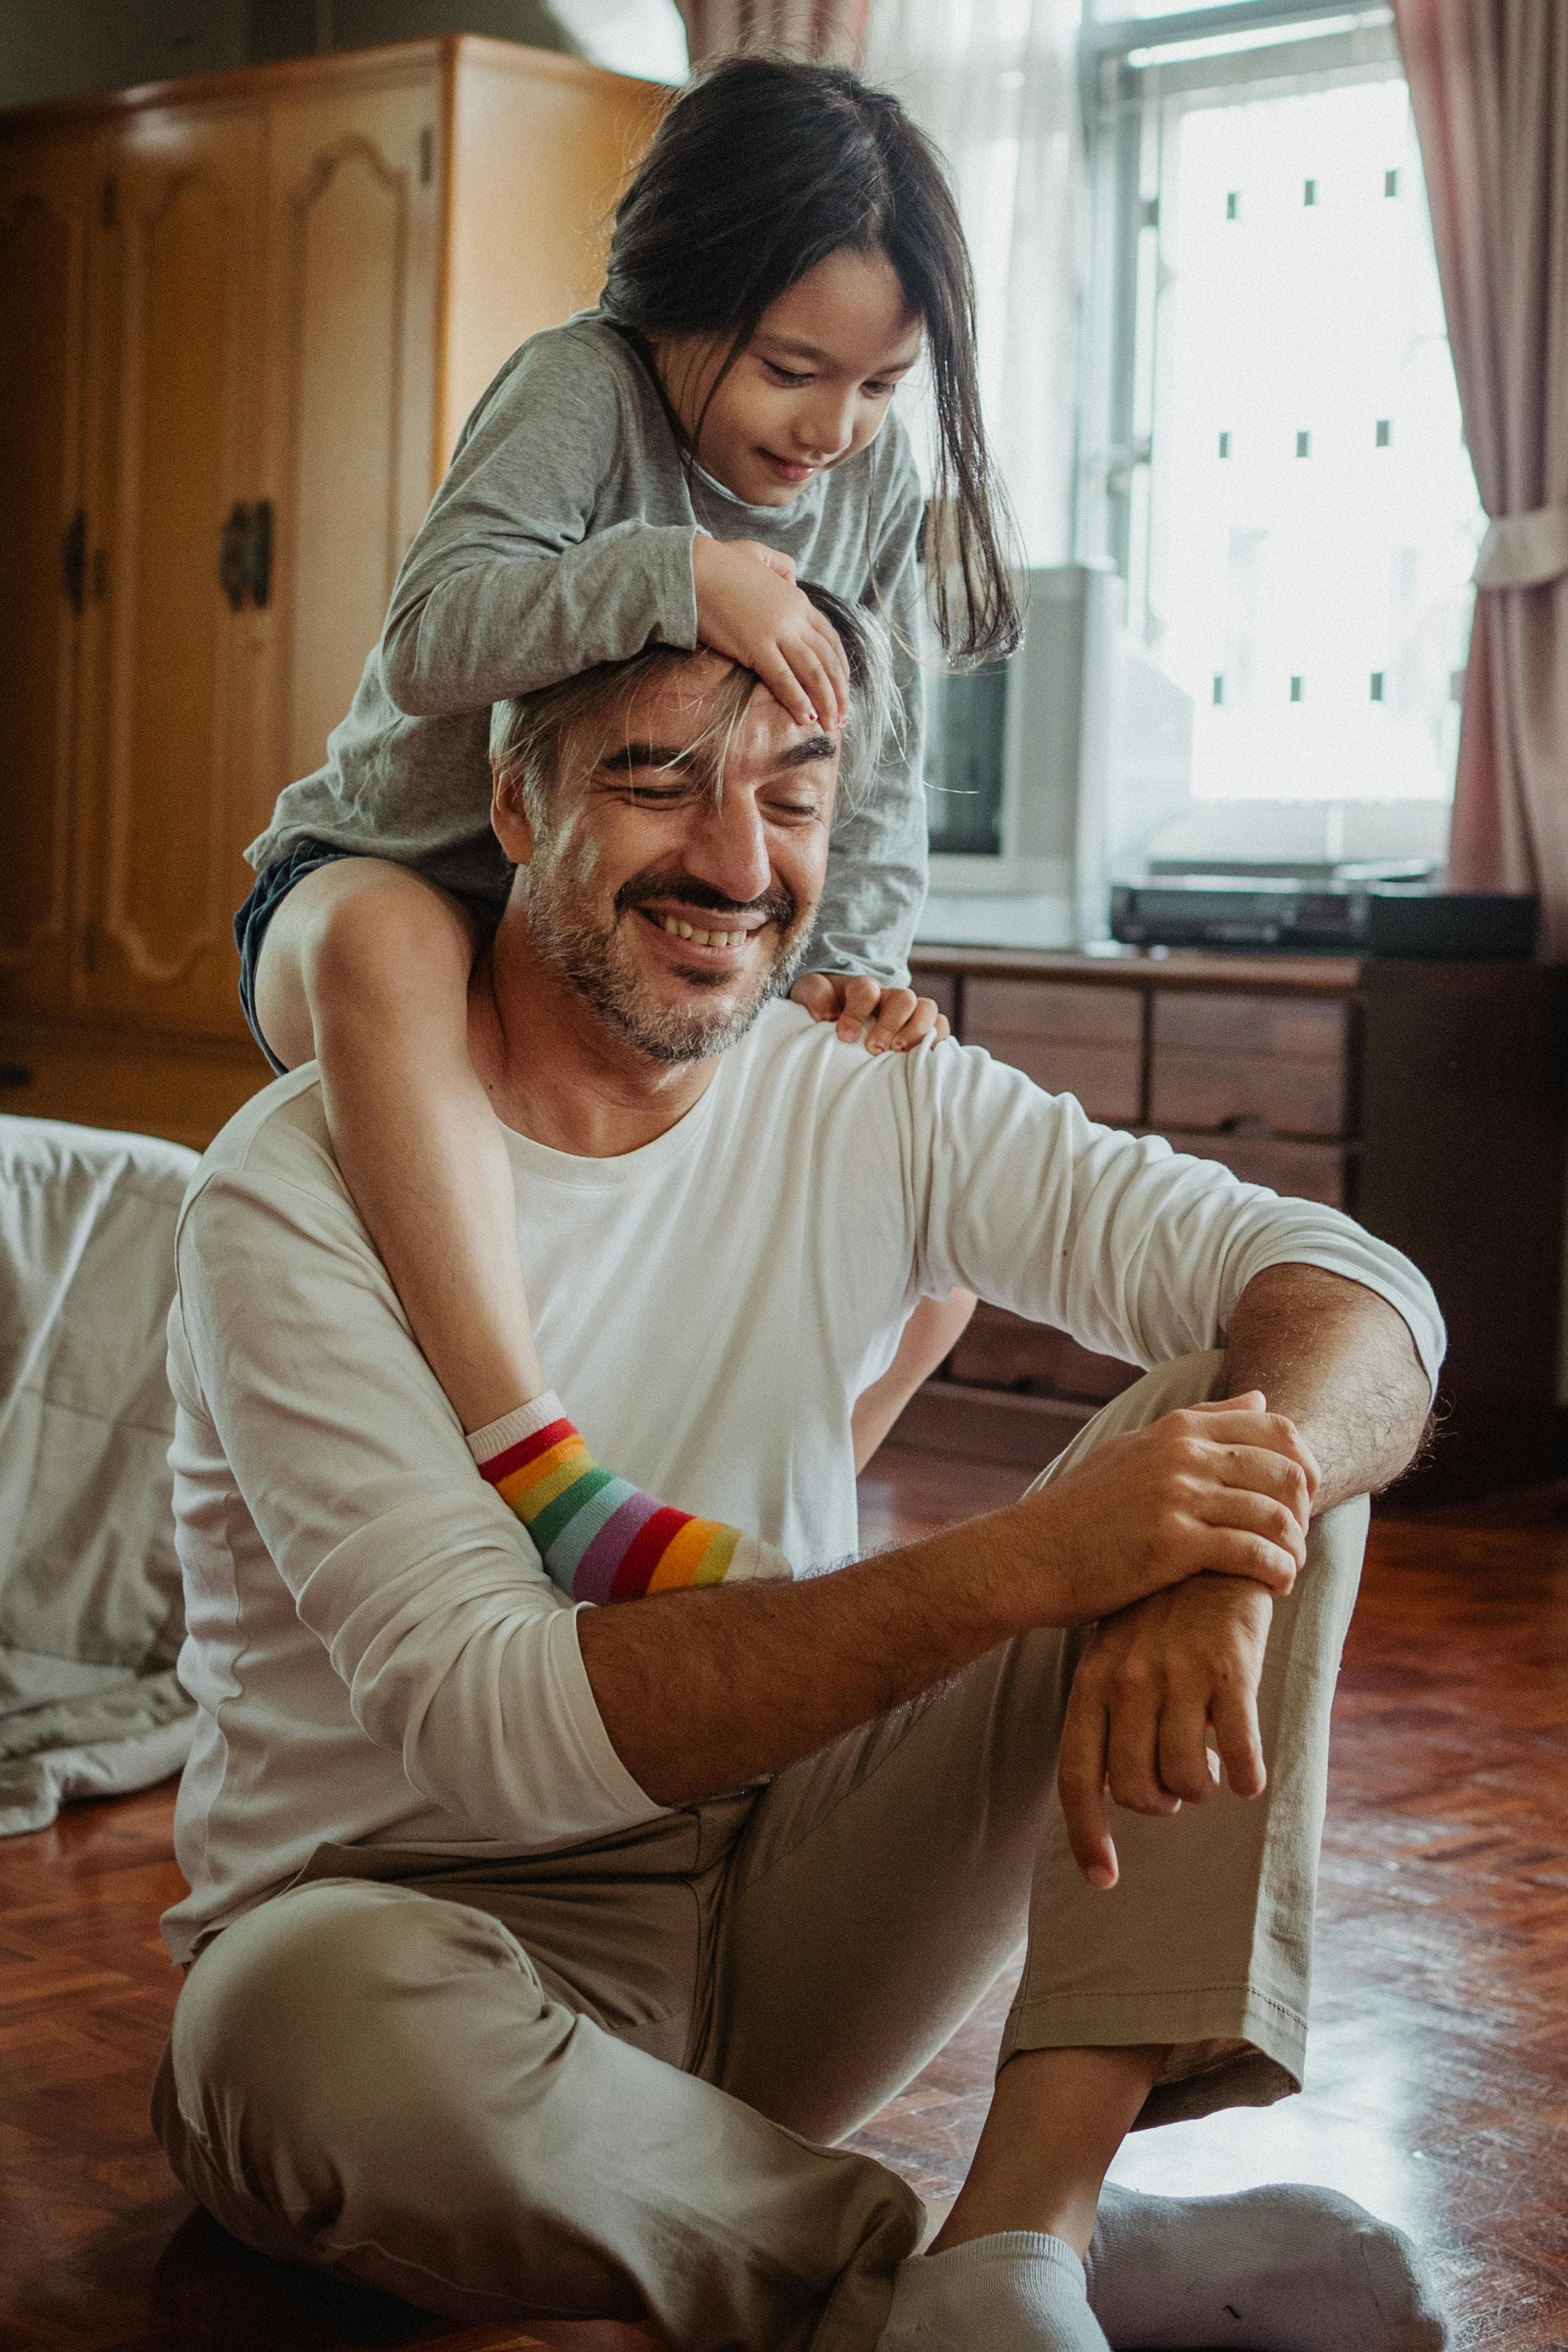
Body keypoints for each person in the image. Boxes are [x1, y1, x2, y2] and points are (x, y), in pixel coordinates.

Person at [159, 596, 1449, 2352]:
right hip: (407, 1948)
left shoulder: (867, 1091)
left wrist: (1217, 1541)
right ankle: (974, 2274)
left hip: (789, 1903)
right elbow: (490, 1722)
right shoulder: (288, 1187)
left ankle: (1027, 2223)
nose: (735, 861)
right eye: (658, 781)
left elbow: (1354, 1286)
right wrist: (1034, 1562)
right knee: (283, 2030)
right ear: (518, 803)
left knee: (1252, 1430)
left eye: (792, 799)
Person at [235, 54, 1008, 1612]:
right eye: (792, 368)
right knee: (388, 940)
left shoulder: (871, 484)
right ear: (676, 294)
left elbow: (876, 763)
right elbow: (432, 641)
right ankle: (544, 1475)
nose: (833, 426)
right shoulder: (580, 387)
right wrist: (681, 575)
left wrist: (858, 961)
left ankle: (764, 1519)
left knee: (931, 1195)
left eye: (878, 386)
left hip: (623, 945)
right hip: (393, 883)